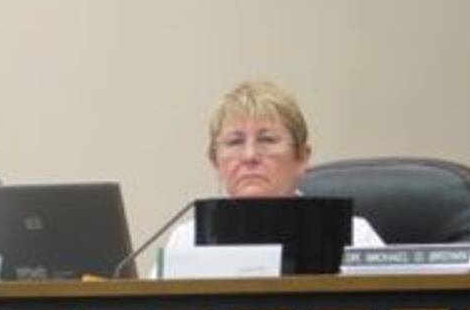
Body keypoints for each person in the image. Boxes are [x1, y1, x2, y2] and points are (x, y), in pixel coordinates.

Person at [161, 80, 384, 258]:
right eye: (234, 142)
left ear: (301, 157)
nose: (249, 156)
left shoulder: (355, 237)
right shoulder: (186, 241)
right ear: (215, 161)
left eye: (266, 139)